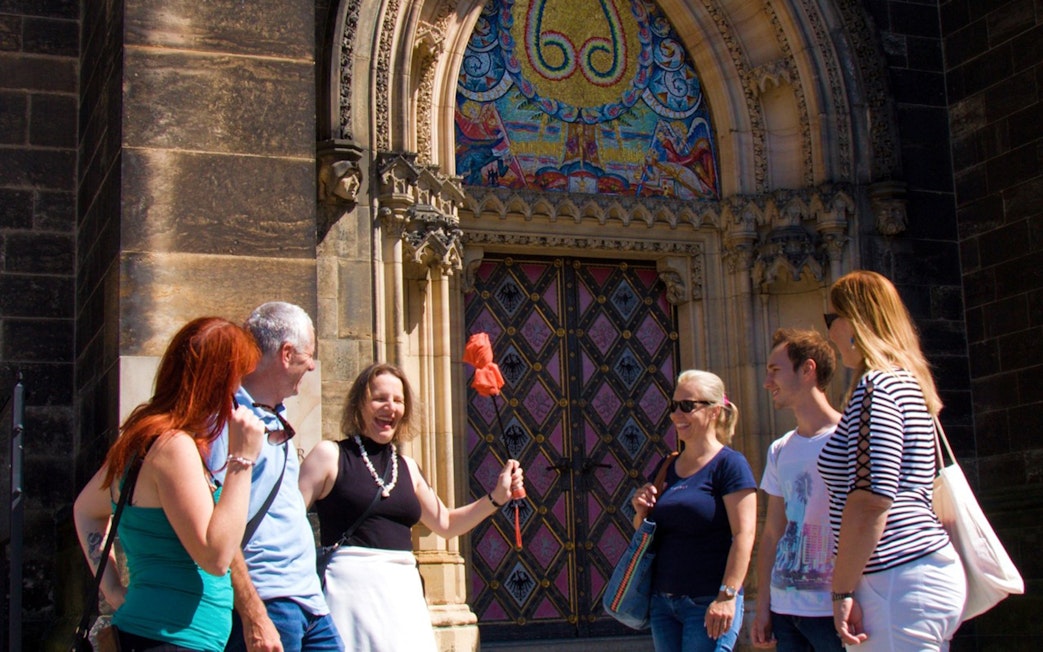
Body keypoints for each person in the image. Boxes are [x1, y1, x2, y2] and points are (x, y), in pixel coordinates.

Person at [298, 362, 524, 652]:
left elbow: (446, 524)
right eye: (380, 398)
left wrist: (496, 497)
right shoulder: (329, 456)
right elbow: (287, 521)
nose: (389, 407)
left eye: (398, 400)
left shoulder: (407, 468)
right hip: (350, 594)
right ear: (359, 404)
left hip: (403, 596)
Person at [74, 317, 267, 651]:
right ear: (218, 380)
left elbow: (85, 511)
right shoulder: (173, 446)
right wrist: (242, 460)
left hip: (157, 635)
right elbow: (216, 556)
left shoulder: (145, 439)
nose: (240, 391)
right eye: (239, 377)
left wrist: (115, 591)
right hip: (170, 640)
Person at [819, 270, 966, 650]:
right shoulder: (903, 382)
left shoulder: (877, 387)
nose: (829, 334)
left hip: (894, 575)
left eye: (830, 319)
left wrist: (842, 590)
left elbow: (872, 500)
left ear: (854, 321)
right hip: (908, 574)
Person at [208, 302, 343, 652]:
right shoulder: (228, 421)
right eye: (308, 355)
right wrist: (253, 613)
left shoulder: (275, 418)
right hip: (268, 599)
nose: (312, 366)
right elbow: (217, 520)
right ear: (286, 354)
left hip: (310, 601)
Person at [630, 369, 757, 652]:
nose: (677, 415)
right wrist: (640, 511)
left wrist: (727, 596)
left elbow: (744, 535)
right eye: (673, 406)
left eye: (687, 406)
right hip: (664, 603)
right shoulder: (667, 465)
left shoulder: (730, 465)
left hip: (707, 601)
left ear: (713, 411)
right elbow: (646, 533)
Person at [751, 329, 843, 651]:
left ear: (807, 370)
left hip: (833, 610)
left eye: (775, 371)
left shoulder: (847, 440)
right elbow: (773, 531)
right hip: (785, 612)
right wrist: (763, 605)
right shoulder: (779, 449)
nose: (766, 383)